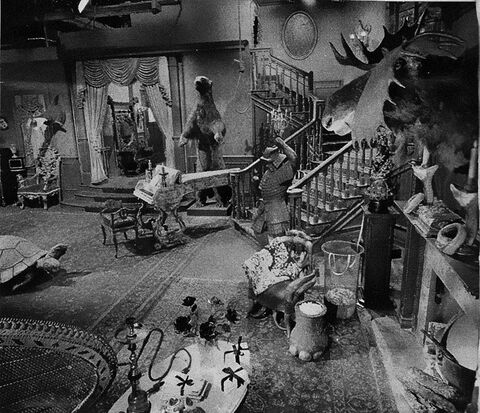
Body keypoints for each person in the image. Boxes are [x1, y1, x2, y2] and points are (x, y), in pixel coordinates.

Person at [252, 137, 297, 245]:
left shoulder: (283, 172)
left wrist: (283, 145)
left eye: (269, 162)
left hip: (277, 210)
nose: (267, 165)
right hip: (265, 206)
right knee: (258, 230)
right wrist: (255, 184)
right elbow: (262, 191)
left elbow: (294, 159)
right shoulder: (268, 173)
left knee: (279, 238)